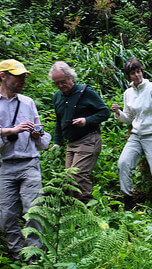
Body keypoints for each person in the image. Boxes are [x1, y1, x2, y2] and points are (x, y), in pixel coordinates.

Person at [0, 59, 51, 260]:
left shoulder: (28, 102)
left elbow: (41, 132)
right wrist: (10, 131)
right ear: (3, 76)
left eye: (24, 76)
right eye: (18, 77)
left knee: (34, 210)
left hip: (29, 163)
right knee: (6, 215)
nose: (22, 80)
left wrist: (38, 134)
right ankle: (18, 255)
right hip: (3, 165)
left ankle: (34, 257)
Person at [110, 58, 152, 214]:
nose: (137, 75)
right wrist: (118, 113)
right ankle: (128, 201)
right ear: (128, 76)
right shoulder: (128, 93)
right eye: (133, 73)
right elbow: (129, 118)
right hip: (136, 135)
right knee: (123, 164)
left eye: (138, 71)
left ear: (142, 71)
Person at [49, 61, 110, 203]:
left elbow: (104, 112)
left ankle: (88, 209)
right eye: (57, 83)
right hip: (71, 142)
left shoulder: (85, 92)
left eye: (63, 82)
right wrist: (57, 142)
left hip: (89, 138)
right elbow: (59, 121)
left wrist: (86, 120)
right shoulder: (57, 96)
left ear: (71, 77)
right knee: (68, 179)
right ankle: (75, 213)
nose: (60, 86)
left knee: (79, 175)